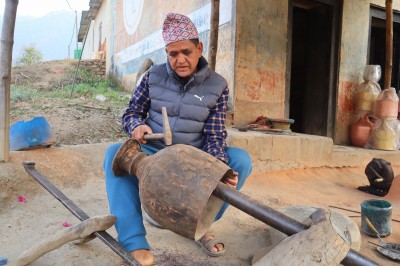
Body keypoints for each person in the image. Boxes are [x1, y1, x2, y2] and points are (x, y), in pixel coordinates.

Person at [103, 12, 252, 266]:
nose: (180, 60)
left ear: (199, 48)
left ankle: (198, 225)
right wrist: (137, 125)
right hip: (155, 151)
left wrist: (218, 169)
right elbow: (131, 113)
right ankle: (134, 241)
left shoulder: (218, 85)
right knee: (113, 155)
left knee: (240, 161)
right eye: (173, 54)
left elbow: (215, 136)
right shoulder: (152, 77)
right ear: (166, 53)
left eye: (186, 52)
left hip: (194, 155)